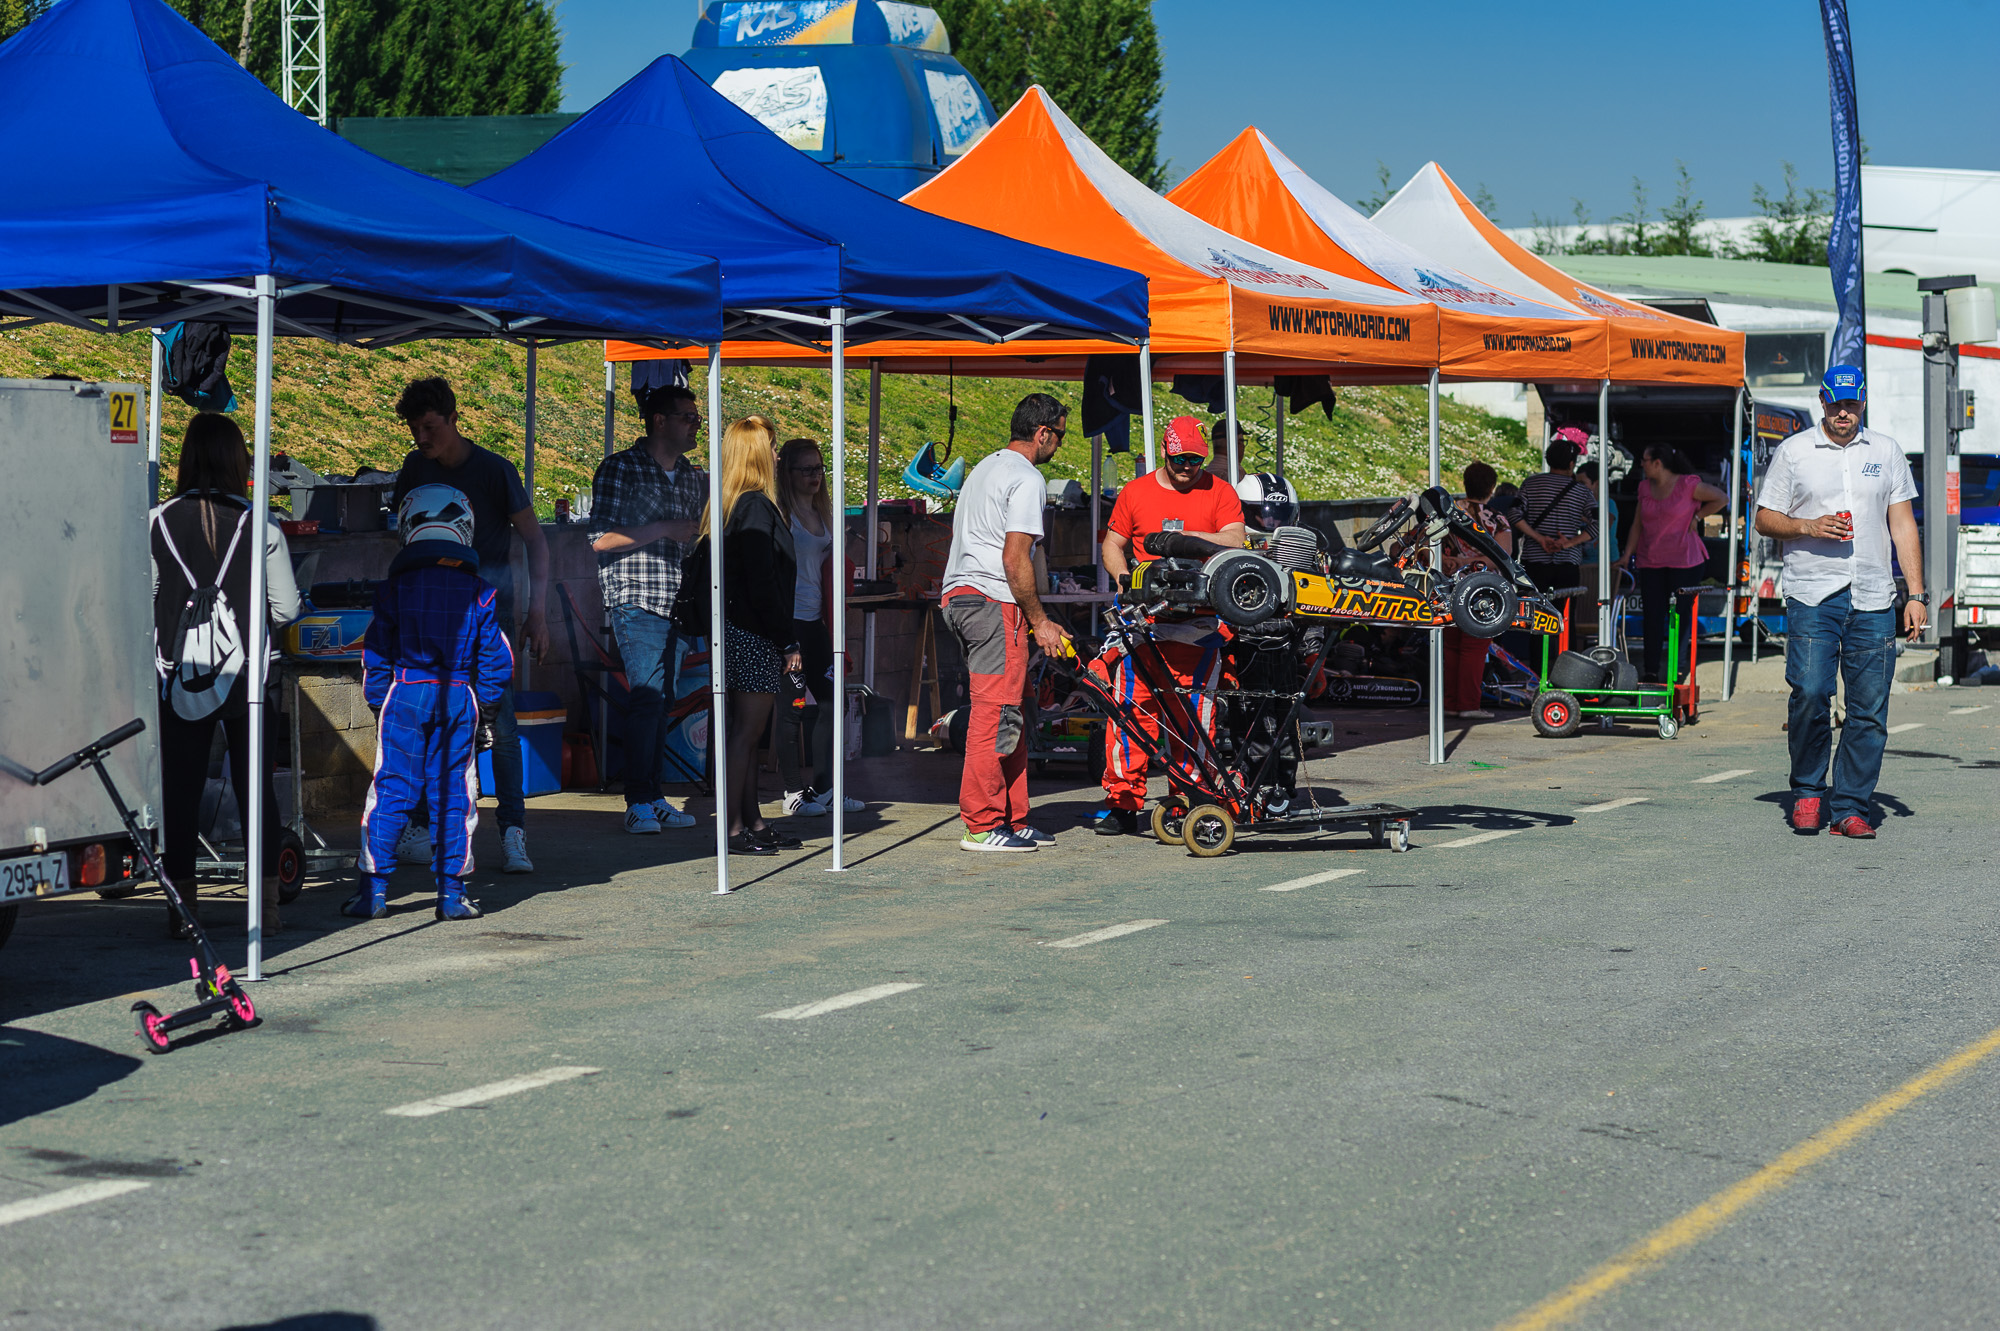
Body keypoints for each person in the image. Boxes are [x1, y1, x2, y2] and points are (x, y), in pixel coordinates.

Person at [1754, 365, 1926, 838]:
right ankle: (1809, 790)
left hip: (1873, 595)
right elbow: (1764, 519)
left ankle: (1849, 806)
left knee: (1868, 709)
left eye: (1851, 404)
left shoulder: (1886, 451)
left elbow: (1902, 524)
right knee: (1810, 692)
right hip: (1813, 594)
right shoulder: (1794, 451)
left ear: (1863, 402)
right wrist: (1807, 526)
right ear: (1822, 401)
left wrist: (1915, 594)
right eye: (1836, 404)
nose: (1843, 412)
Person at [150, 414, 300, 939]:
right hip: (253, 676)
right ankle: (266, 909)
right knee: (256, 789)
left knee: (181, 792)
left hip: (180, 674)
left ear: (187, 458)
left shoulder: (156, 522)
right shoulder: (263, 525)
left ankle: (182, 911)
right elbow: (286, 609)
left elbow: (145, 597)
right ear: (238, 461)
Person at [389, 377, 546, 874]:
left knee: (500, 724)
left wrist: (538, 612)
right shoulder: (414, 467)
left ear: (454, 420)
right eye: (414, 428)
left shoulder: (496, 470)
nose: (421, 437)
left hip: (488, 612)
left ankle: (513, 832)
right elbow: (404, 536)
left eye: (430, 426)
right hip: (429, 613)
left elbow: (536, 540)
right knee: (427, 715)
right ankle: (421, 826)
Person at [344, 485, 514, 920]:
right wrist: (487, 712)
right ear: (464, 528)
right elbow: (497, 661)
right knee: (454, 794)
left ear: (407, 527)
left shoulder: (391, 591)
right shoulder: (481, 592)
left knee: (390, 791)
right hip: (458, 697)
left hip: (404, 693)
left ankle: (372, 894)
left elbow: (375, 656)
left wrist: (379, 705)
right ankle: (451, 896)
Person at [1093, 415, 1248, 834]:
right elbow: (1112, 544)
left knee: (1192, 718)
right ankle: (1122, 803)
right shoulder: (1136, 492)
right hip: (1143, 625)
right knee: (1131, 714)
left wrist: (1187, 541)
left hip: (1198, 627)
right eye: (1180, 459)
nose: (1187, 468)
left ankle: (1189, 800)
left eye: (1195, 460)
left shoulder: (1220, 491)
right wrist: (1125, 579)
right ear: (1165, 451)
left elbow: (1236, 539)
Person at [941, 393, 1074, 852]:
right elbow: (1015, 557)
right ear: (1042, 433)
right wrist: (1040, 620)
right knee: (996, 712)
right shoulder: (1027, 477)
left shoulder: (986, 467)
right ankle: (981, 824)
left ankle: (1012, 818)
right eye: (1059, 436)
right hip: (992, 601)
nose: (1059, 445)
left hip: (964, 597)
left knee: (1015, 707)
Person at [587, 383, 707, 834]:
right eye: (688, 417)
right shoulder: (622, 467)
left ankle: (653, 796)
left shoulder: (692, 475)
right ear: (660, 421)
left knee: (662, 702)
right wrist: (664, 528)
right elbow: (600, 539)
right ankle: (638, 800)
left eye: (697, 418)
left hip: (679, 604)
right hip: (637, 598)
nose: (696, 425)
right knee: (647, 698)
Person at [702, 416, 803, 857]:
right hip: (753, 632)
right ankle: (733, 827)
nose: (778, 457)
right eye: (773, 448)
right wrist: (787, 640)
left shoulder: (732, 502)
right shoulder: (755, 505)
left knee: (744, 733)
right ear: (759, 454)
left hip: (739, 629)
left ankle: (751, 821)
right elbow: (763, 581)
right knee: (746, 734)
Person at [774, 437, 863, 818]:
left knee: (832, 702)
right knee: (792, 708)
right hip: (788, 623)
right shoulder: (782, 514)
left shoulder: (823, 512)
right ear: (787, 472)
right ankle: (792, 792)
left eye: (819, 468)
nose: (814, 476)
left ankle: (825, 789)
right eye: (806, 469)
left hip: (816, 621)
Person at [1620, 445, 1726, 682]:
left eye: (1644, 460)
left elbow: (1722, 498)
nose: (1641, 464)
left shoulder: (1688, 484)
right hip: (1651, 560)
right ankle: (1650, 671)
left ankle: (1676, 670)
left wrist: (1698, 517)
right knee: (1652, 616)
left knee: (1679, 616)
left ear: (1658, 463)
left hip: (1685, 561)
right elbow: (1637, 524)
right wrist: (1627, 554)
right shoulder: (1644, 487)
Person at [1440, 462, 1510, 719]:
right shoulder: (1497, 518)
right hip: (1483, 589)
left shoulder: (1447, 513)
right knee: (1474, 648)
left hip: (1448, 585)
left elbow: (1425, 544)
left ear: (1465, 482)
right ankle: (1469, 705)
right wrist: (1468, 562)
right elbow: (1503, 556)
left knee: (1450, 647)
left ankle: (1450, 703)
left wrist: (1451, 562)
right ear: (1491, 488)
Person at [1512, 429, 1598, 600]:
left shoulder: (1530, 484)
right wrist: (1569, 543)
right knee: (1564, 612)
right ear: (1571, 464)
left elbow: (1514, 515)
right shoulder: (1582, 491)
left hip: (1534, 561)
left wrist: (1539, 538)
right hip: (1568, 562)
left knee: (1533, 610)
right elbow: (1599, 523)